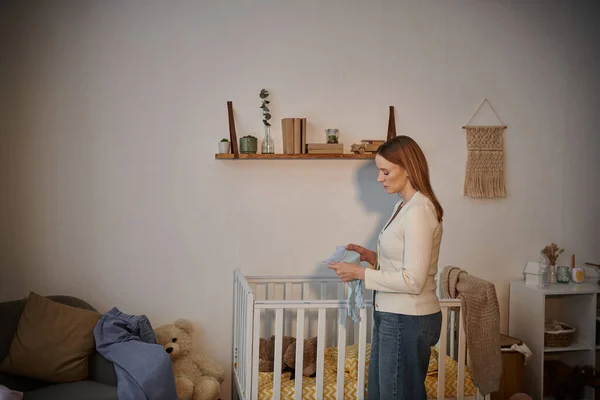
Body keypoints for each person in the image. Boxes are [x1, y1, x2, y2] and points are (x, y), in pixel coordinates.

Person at [328, 135, 444, 400]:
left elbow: (413, 280)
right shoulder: (403, 206)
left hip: (407, 317)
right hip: (393, 314)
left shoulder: (419, 211)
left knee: (395, 394)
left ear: (408, 168)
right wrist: (372, 257)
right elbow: (405, 263)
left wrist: (359, 273)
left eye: (385, 171)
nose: (380, 179)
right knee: (382, 393)